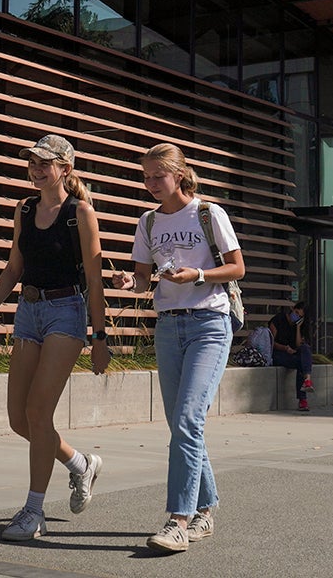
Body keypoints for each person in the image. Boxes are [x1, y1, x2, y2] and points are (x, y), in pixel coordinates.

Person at [0, 135, 111, 542]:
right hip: (28, 312)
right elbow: (14, 267)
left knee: (38, 412)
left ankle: (34, 511)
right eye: (32, 163)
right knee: (19, 419)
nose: (35, 169)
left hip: (67, 312)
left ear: (64, 169)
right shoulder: (25, 209)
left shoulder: (79, 212)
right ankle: (80, 463)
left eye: (44, 163)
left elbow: (96, 277)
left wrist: (99, 336)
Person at [127, 143, 245, 554]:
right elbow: (144, 278)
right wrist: (134, 284)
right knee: (181, 424)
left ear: (179, 174)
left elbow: (237, 267)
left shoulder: (208, 214)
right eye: (145, 176)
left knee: (188, 419)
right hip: (168, 327)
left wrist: (198, 274)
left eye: (157, 175)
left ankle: (178, 520)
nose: (150, 183)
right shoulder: (147, 222)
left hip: (210, 323)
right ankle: (205, 511)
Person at [270, 300, 314, 411]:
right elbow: (270, 343)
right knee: (301, 364)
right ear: (293, 309)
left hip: (291, 354)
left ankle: (307, 380)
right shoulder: (278, 319)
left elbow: (299, 345)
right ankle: (303, 398)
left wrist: (298, 327)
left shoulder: (297, 325)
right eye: (296, 312)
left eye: (300, 316)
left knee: (305, 348)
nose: (296, 316)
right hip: (277, 353)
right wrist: (285, 348)